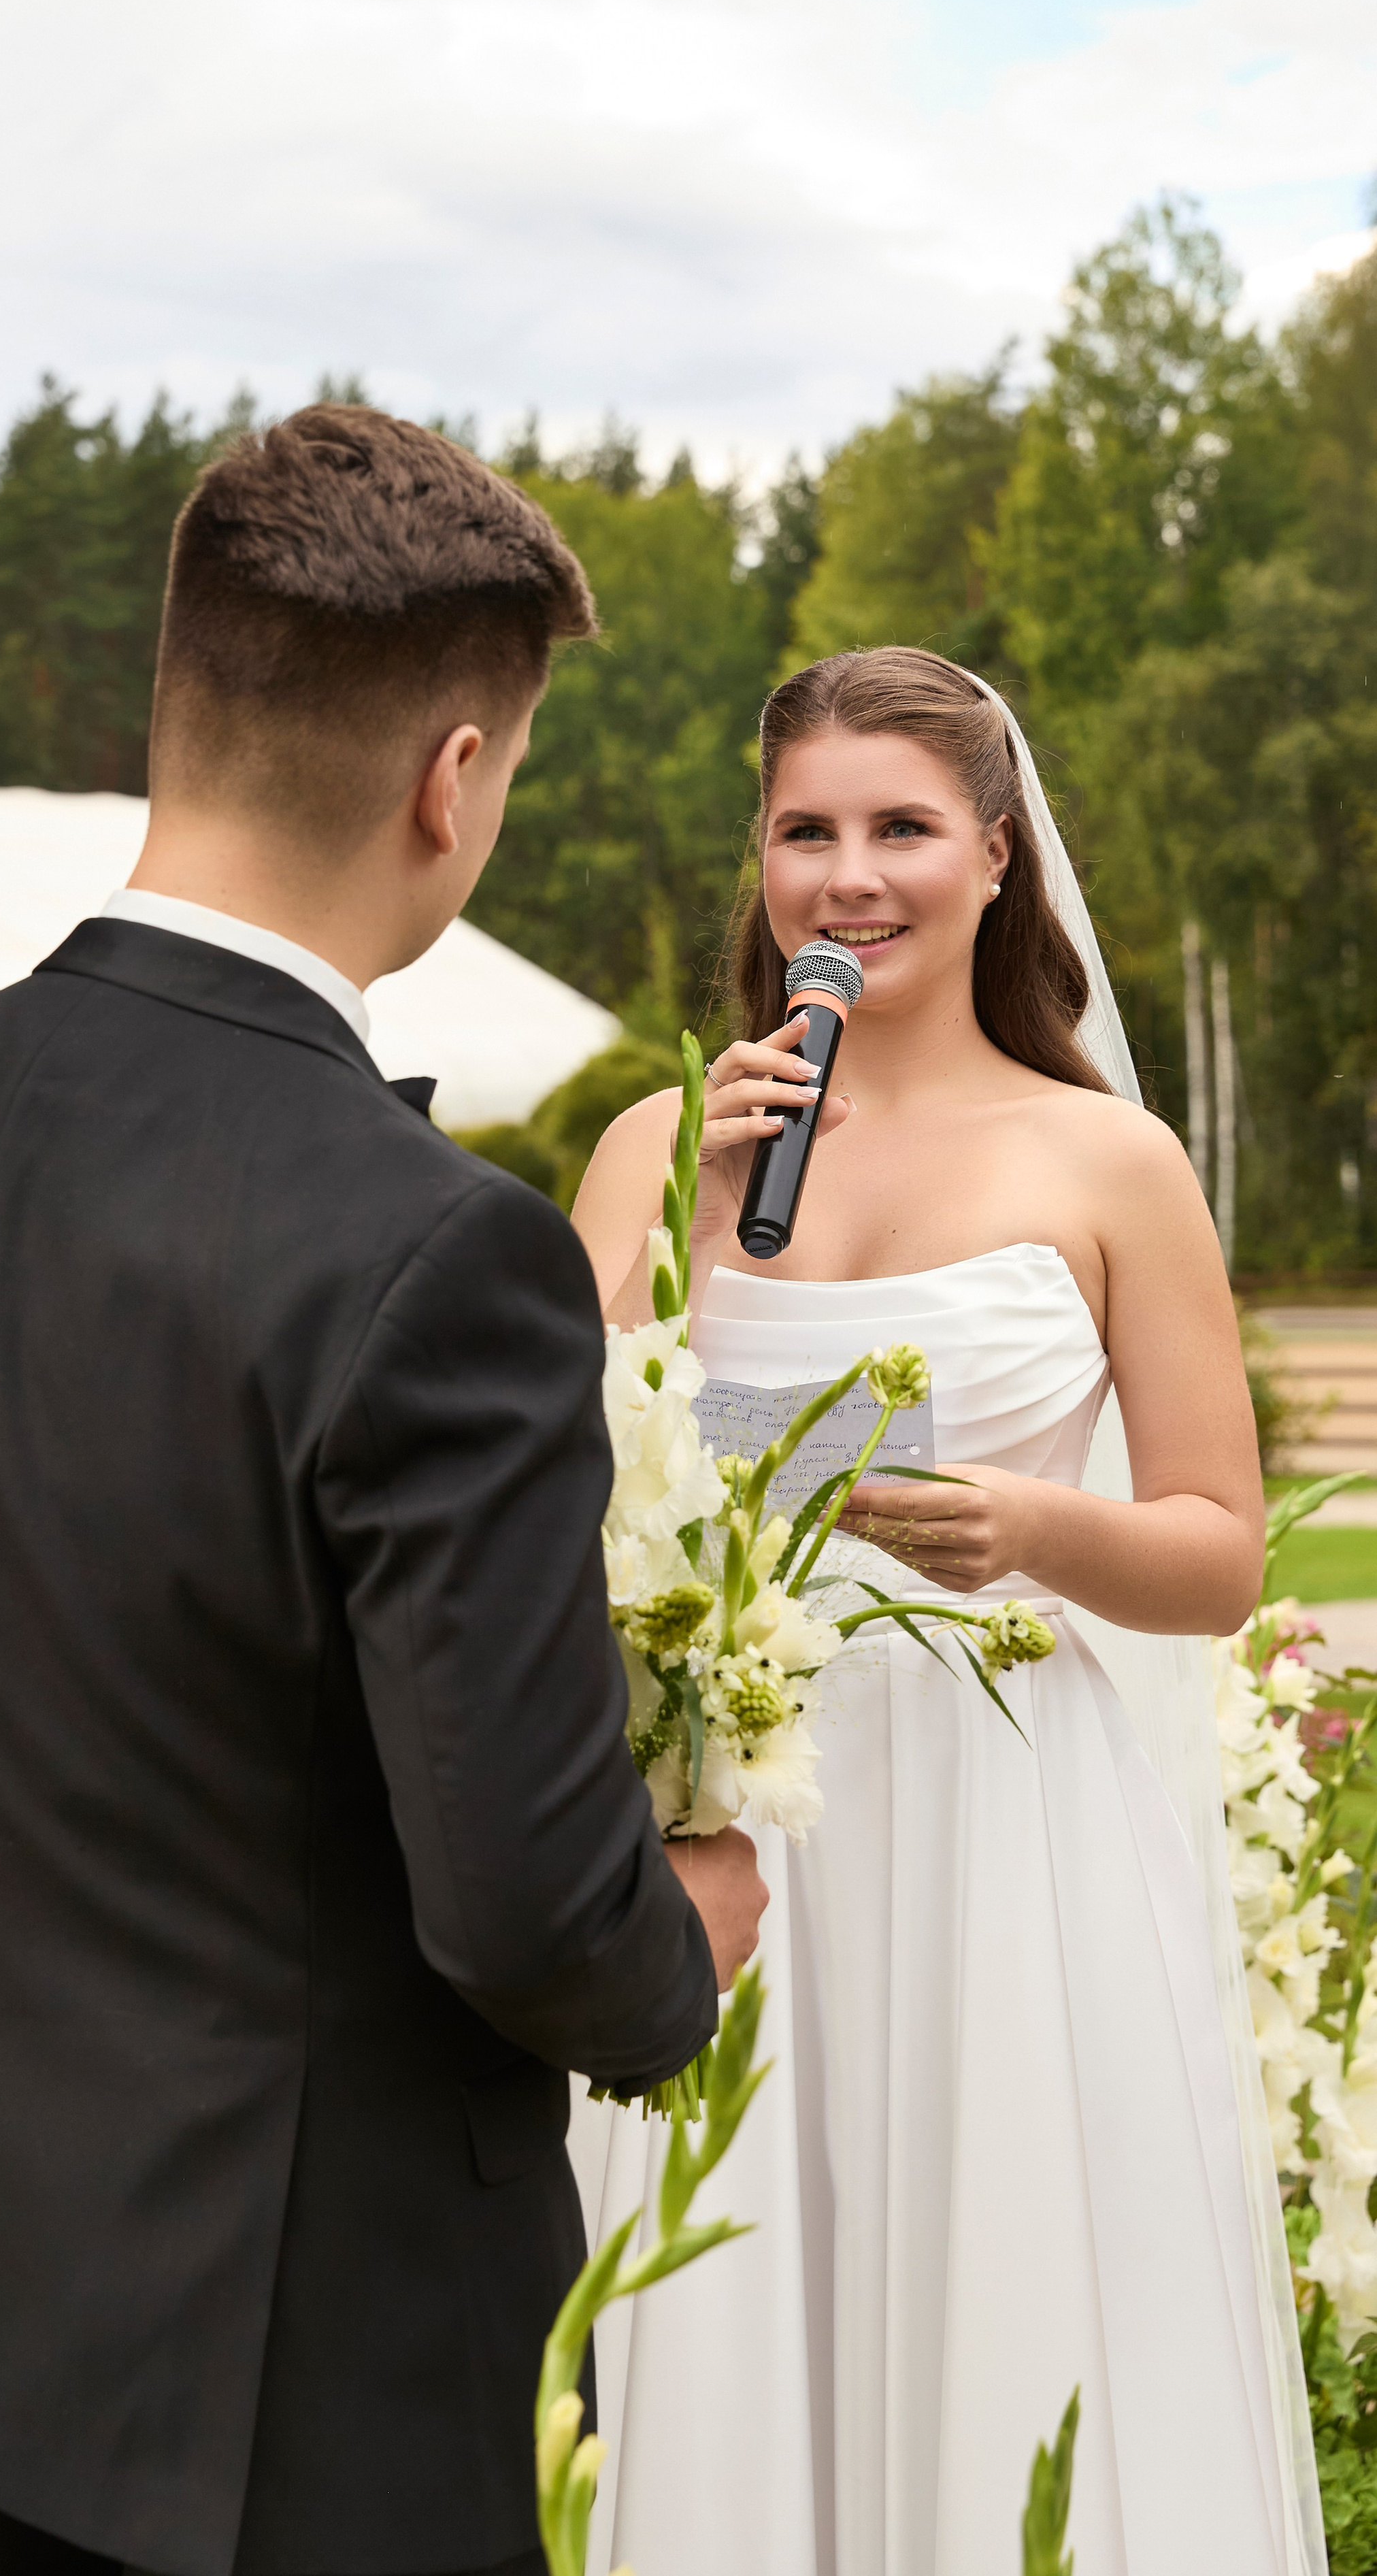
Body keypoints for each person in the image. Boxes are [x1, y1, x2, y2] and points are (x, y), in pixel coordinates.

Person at [0, 407, 771, 2576]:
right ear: (454, 779)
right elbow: (526, 1899)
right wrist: (679, 1947)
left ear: (180, 703)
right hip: (321, 2371)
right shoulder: (439, 1251)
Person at [567, 646, 1325, 2576]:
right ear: (761, 864)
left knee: (1004, 2322)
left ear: (996, 857)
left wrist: (1039, 1530)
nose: (851, 875)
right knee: (731, 2325)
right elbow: (562, 1493)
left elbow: (1223, 1544)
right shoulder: (662, 1147)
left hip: (1011, 1834)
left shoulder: (1108, 1161)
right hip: (741, 1837)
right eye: (805, 829)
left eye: (901, 826)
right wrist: (683, 1233)